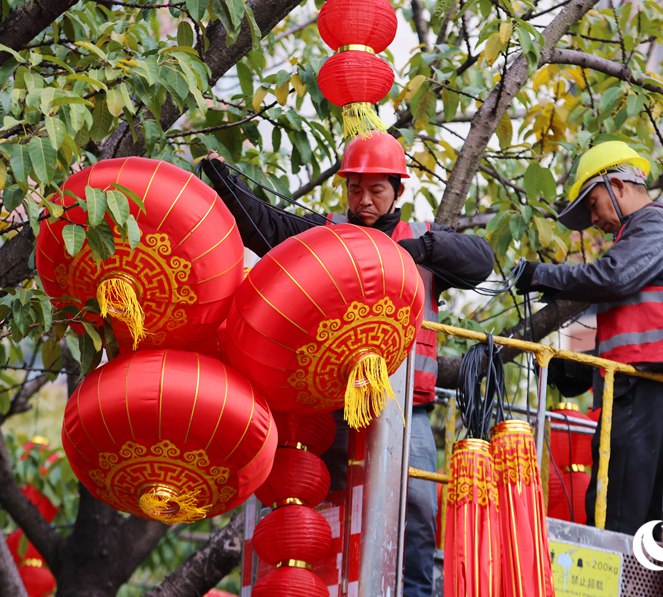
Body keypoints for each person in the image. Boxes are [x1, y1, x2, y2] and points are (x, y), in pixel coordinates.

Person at [197, 130, 494, 597]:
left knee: (416, 502)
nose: (365, 200)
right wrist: (223, 180)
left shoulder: (421, 240)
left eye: (376, 189)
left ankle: (414, 592)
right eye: (356, 188)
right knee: (331, 502)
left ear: (399, 189)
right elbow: (269, 227)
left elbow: (482, 260)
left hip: (404, 407)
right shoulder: (327, 234)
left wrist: (418, 252)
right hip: (332, 405)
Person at [513, 141, 663, 536]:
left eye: (593, 203)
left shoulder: (655, 224)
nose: (594, 218)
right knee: (620, 502)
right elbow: (626, 324)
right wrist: (569, 370)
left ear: (619, 185)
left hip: (648, 388)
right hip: (640, 389)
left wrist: (540, 275)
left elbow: (612, 277)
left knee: (621, 511)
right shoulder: (640, 240)